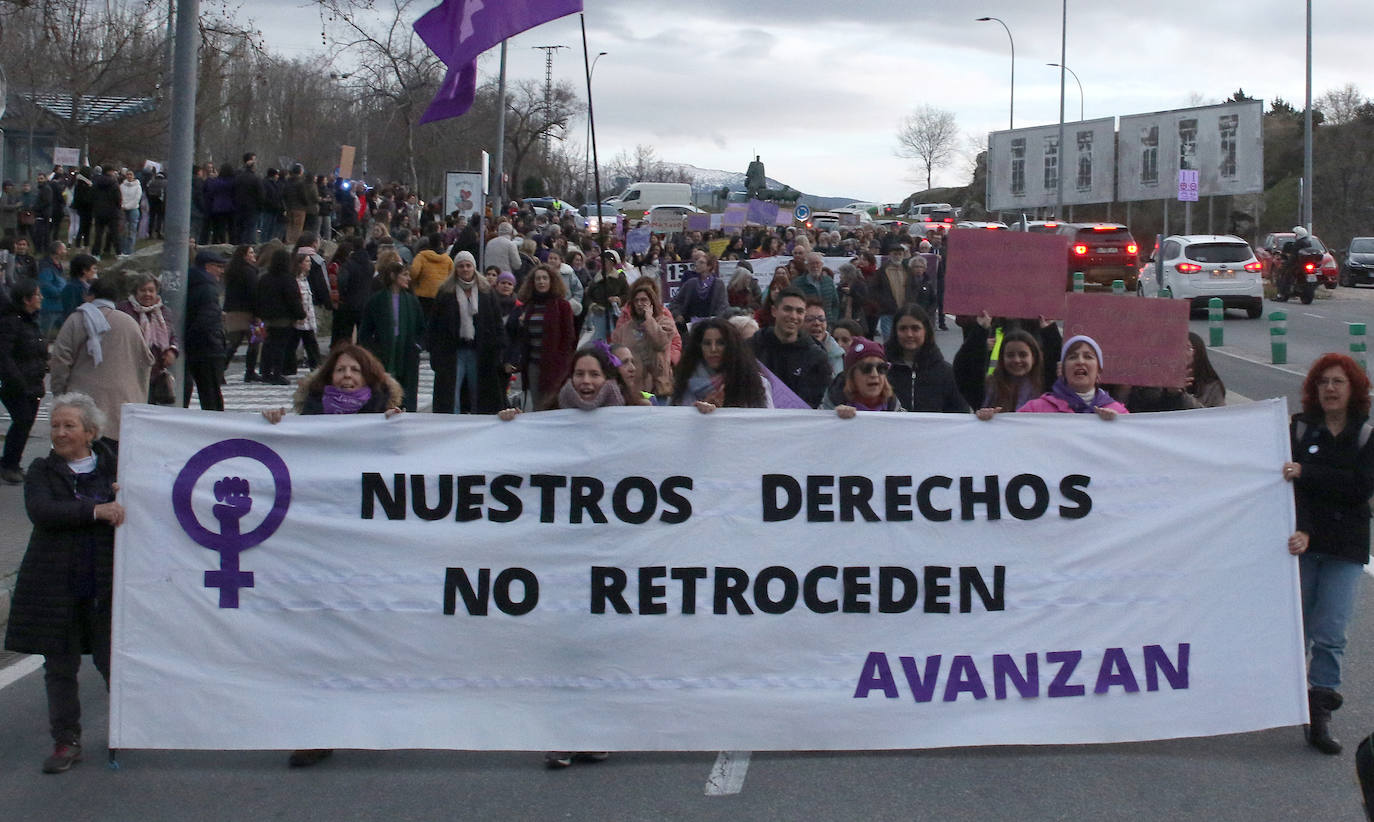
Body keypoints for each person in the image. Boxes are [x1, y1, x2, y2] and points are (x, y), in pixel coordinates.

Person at [260, 345, 401, 769]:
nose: (347, 376)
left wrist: (399, 432)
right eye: (340, 370)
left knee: (367, 638)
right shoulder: (306, 422)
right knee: (319, 641)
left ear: (370, 378)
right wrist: (272, 425)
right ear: (327, 377)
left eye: (355, 370)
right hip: (317, 548)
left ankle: (383, 719)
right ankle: (318, 729)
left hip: (369, 549)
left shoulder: (390, 421)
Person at [3, 393, 123, 774]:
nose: (59, 432)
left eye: (69, 425)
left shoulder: (116, 467)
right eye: (55, 425)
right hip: (55, 587)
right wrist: (96, 510)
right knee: (59, 667)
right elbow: (43, 511)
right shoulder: (41, 470)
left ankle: (127, 727)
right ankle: (66, 740)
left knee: (114, 662)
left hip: (105, 585)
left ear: (90, 432)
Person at [1282, 353, 1374, 755]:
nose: (1330, 389)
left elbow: (1359, 488)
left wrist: (1308, 471)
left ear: (1353, 388)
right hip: (1303, 543)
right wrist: (1302, 527)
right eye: (1323, 382)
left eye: (1338, 382)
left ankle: (1321, 706)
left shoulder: (1366, 435)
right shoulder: (1300, 429)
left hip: (1345, 547)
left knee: (1331, 632)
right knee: (1296, 626)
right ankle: (1286, 697)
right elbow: (1287, 487)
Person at [48, 277, 153, 442]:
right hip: (122, 404)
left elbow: (60, 360)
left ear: (90, 296)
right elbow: (145, 361)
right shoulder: (129, 322)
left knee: (82, 450)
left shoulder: (77, 320)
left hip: (81, 403)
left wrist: (60, 394)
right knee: (113, 452)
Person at [426, 252, 508, 415]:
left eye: (468, 265)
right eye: (461, 266)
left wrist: (499, 349)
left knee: (480, 394)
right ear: (456, 269)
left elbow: (496, 322)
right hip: (452, 352)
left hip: (481, 352)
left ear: (474, 267)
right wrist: (433, 351)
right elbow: (434, 324)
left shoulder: (486, 292)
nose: (465, 269)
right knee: (451, 396)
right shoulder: (445, 292)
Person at [508, 263, 576, 411]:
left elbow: (569, 337)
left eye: (545, 278)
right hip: (533, 364)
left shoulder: (562, 305)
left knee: (553, 405)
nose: (541, 281)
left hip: (554, 366)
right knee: (537, 406)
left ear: (552, 281)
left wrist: (562, 362)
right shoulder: (529, 305)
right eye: (538, 279)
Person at [0, 279, 48, 483]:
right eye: (37, 294)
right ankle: (8, 464)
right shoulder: (11, 322)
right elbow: (4, 355)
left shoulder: (32, 321)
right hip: (17, 384)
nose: (40, 298)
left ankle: (13, 463)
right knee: (22, 421)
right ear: (26, 299)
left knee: (26, 424)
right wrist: (17, 380)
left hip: (33, 382)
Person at [749, 288, 830, 408]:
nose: (793, 316)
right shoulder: (751, 348)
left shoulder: (817, 357)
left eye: (799, 311)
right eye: (787, 309)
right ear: (774, 311)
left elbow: (813, 402)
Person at [883, 304, 969, 414]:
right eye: (903, 329)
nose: (909, 334)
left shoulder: (947, 373)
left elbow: (961, 412)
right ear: (895, 332)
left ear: (926, 331)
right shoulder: (880, 370)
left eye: (915, 328)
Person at [1017, 335, 1128, 419]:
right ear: (1063, 370)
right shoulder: (1035, 409)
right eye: (1072, 357)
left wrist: (1117, 425)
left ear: (1099, 370)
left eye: (1088, 357)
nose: (1080, 361)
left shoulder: (1120, 413)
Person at [674, 317, 772, 411]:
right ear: (699, 347)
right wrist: (697, 412)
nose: (713, 349)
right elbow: (677, 418)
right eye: (707, 343)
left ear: (732, 346)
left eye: (720, 343)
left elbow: (766, 419)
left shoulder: (755, 383)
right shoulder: (685, 382)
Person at [610, 278, 679, 399]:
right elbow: (614, 354)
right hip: (634, 390)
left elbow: (661, 343)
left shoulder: (666, 323)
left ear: (652, 302)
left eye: (644, 300)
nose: (639, 303)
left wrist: (649, 319)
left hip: (659, 389)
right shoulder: (623, 329)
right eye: (636, 301)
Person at [116, 273, 178, 406]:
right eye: (143, 290)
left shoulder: (164, 311)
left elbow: (172, 336)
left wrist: (172, 351)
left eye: (151, 290)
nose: (147, 294)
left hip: (156, 372)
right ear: (135, 292)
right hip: (131, 371)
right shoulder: (124, 310)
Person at [183, 250, 229, 410]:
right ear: (208, 267)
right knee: (211, 398)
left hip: (197, 347)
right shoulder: (208, 288)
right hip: (208, 348)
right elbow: (206, 321)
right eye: (219, 267)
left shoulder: (193, 283)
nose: (221, 271)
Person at [255, 248, 306, 385]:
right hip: (283, 318)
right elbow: (293, 299)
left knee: (267, 344)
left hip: (266, 317)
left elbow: (258, 297)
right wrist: (301, 314)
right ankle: (277, 373)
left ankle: (265, 372)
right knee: (280, 346)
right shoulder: (288, 279)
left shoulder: (264, 278)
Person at [974, 330, 1045, 419]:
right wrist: (984, 414)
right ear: (1002, 358)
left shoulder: (1046, 385)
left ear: (1034, 357)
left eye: (1023, 355)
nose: (1016, 360)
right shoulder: (989, 384)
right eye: (1010, 355)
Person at [822, 337, 903, 415]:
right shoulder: (831, 405)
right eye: (866, 368)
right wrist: (834, 415)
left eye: (881, 368)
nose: (874, 374)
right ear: (851, 375)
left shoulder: (896, 411)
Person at [222, 245, 261, 382]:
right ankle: (250, 372)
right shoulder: (250, 272)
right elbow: (254, 294)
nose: (254, 255)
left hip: (233, 312)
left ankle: (220, 370)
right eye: (251, 252)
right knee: (255, 341)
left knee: (233, 343)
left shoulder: (232, 271)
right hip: (250, 313)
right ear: (244, 256)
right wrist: (258, 313)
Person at [410, 233, 453, 322]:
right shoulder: (447, 259)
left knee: (423, 320)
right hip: (441, 295)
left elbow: (413, 273)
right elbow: (452, 276)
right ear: (441, 243)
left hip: (423, 295)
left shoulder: (421, 256)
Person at [803, 297, 845, 377]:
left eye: (821, 319)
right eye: (810, 319)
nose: (817, 323)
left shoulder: (837, 353)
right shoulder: (792, 351)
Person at [1186, 331, 1226, 407]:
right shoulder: (1165, 383)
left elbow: (1216, 412)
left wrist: (1180, 394)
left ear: (1198, 352)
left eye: (1187, 348)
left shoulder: (1212, 386)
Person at [37, 242, 68, 336]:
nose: (66, 252)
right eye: (64, 249)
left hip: (60, 306)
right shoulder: (46, 266)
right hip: (49, 307)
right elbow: (46, 285)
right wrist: (62, 293)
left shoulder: (59, 266)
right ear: (58, 251)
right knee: (43, 334)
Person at [118, 169, 142, 256]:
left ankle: (130, 250)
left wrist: (127, 206)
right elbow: (120, 197)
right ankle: (122, 250)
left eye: (131, 174)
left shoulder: (138, 186)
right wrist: (122, 206)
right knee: (123, 230)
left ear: (133, 176)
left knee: (132, 231)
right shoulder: (122, 186)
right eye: (128, 174)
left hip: (133, 209)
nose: (129, 176)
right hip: (123, 209)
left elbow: (137, 199)